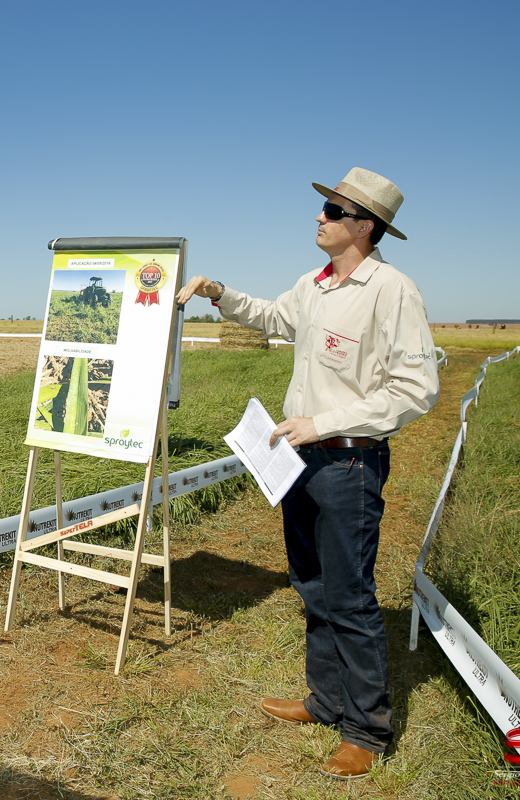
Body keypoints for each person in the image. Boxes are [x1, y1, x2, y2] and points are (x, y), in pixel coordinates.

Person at [174, 168, 440, 779]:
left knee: (349, 596)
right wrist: (220, 292)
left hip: (349, 460)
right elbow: (273, 317)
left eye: (334, 211)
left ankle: (367, 731)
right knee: (312, 586)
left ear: (364, 226)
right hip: (299, 461)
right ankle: (325, 702)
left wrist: (323, 422)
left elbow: (416, 388)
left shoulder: (392, 290)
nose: (319, 218)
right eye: (323, 209)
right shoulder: (314, 285)